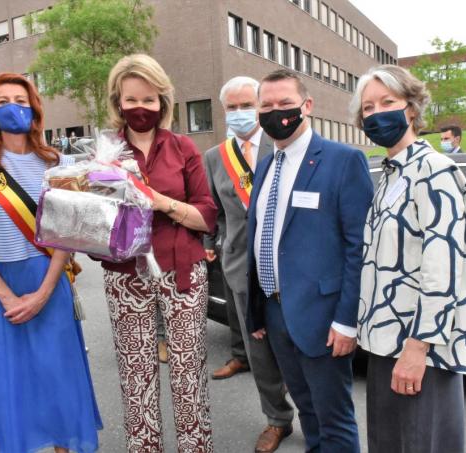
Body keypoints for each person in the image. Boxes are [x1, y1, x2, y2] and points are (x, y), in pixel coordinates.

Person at [0, 72, 102, 453]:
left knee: (59, 379)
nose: (12, 108)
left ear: (34, 109)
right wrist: (6, 297)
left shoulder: (56, 163)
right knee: (10, 383)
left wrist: (43, 293)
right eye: (2, 102)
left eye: (20, 101)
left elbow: (66, 235)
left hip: (47, 280)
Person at [350, 65, 466, 453]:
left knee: (423, 443)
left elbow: (445, 268)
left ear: (411, 108)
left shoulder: (435, 171)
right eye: (368, 107)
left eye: (387, 102)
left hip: (419, 347)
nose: (376, 113)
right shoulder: (391, 174)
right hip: (386, 342)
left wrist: (418, 347)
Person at [246, 69, 373, 452]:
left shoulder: (343, 160)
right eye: (266, 105)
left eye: (285, 103)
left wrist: (347, 320)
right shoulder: (267, 164)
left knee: (334, 418)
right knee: (307, 410)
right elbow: (262, 236)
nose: (275, 112)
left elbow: (359, 247)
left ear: (307, 106)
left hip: (323, 315)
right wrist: (258, 311)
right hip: (276, 312)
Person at [103, 53, 218, 452]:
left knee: (188, 374)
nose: (140, 108)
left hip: (182, 271)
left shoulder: (184, 148)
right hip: (125, 275)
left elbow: (207, 216)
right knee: (137, 378)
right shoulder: (105, 154)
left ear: (162, 102)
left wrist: (161, 202)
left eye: (149, 100)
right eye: (131, 100)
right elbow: (93, 218)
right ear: (117, 101)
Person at [204, 76, 295, 452]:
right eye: (233, 108)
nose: (240, 113)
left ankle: (318, 415)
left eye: (247, 105)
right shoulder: (214, 157)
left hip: (288, 265)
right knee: (258, 351)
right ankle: (277, 419)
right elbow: (213, 210)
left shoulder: (283, 146)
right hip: (240, 266)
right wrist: (212, 244)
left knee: (297, 344)